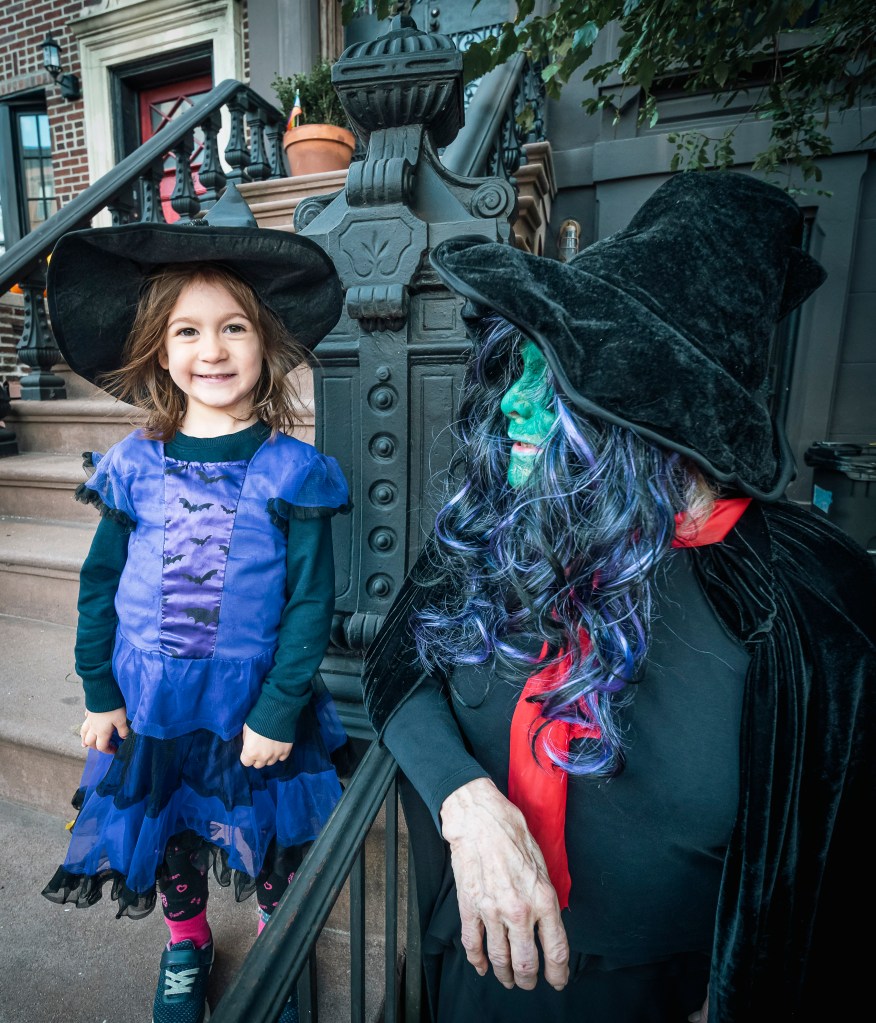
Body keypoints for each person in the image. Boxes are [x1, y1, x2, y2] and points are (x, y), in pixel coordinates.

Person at [362, 171, 875, 1022]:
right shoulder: (505, 520)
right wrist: (465, 800)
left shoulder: (807, 605)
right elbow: (396, 660)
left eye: (559, 377)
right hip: (468, 971)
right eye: (519, 365)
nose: (514, 410)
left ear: (667, 412)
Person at [41, 183, 350, 1023]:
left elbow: (310, 602)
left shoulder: (294, 472)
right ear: (159, 351)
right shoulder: (133, 466)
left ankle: (277, 944)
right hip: (152, 702)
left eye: (233, 327)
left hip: (255, 702)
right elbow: (99, 583)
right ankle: (186, 942)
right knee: (169, 832)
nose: (211, 349)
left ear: (266, 344)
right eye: (188, 330)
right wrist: (98, 689)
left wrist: (283, 707)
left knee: (270, 837)